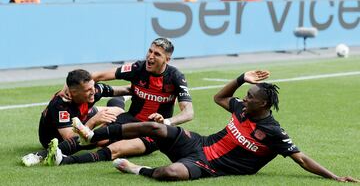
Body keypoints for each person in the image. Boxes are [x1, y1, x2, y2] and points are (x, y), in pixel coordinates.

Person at [70, 70, 359, 182]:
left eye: (249, 98)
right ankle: (94, 133)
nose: (243, 100)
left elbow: (303, 158)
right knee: (155, 127)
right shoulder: (242, 109)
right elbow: (219, 97)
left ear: (263, 105)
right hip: (199, 144)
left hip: (211, 166)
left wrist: (334, 177)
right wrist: (241, 78)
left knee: (171, 172)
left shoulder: (273, 132)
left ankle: (136, 169)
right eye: (245, 96)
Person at [44, 37, 194, 166]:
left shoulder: (176, 77)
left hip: (155, 130)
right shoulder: (137, 68)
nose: (150, 56)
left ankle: (64, 161)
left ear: (167, 59)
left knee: (115, 149)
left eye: (157, 54)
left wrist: (166, 122)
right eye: (150, 51)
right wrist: (67, 86)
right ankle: (41, 155)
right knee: (96, 138)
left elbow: (188, 113)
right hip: (129, 120)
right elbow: (99, 75)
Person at [21, 69, 128, 166]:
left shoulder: (93, 90)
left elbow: (124, 89)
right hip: (56, 138)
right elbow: (70, 137)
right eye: (88, 90)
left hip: (81, 116)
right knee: (101, 140)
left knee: (118, 112)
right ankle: (41, 155)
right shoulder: (60, 105)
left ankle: (120, 99)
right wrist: (94, 121)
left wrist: (138, 90)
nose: (93, 91)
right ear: (73, 92)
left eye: (93, 86)